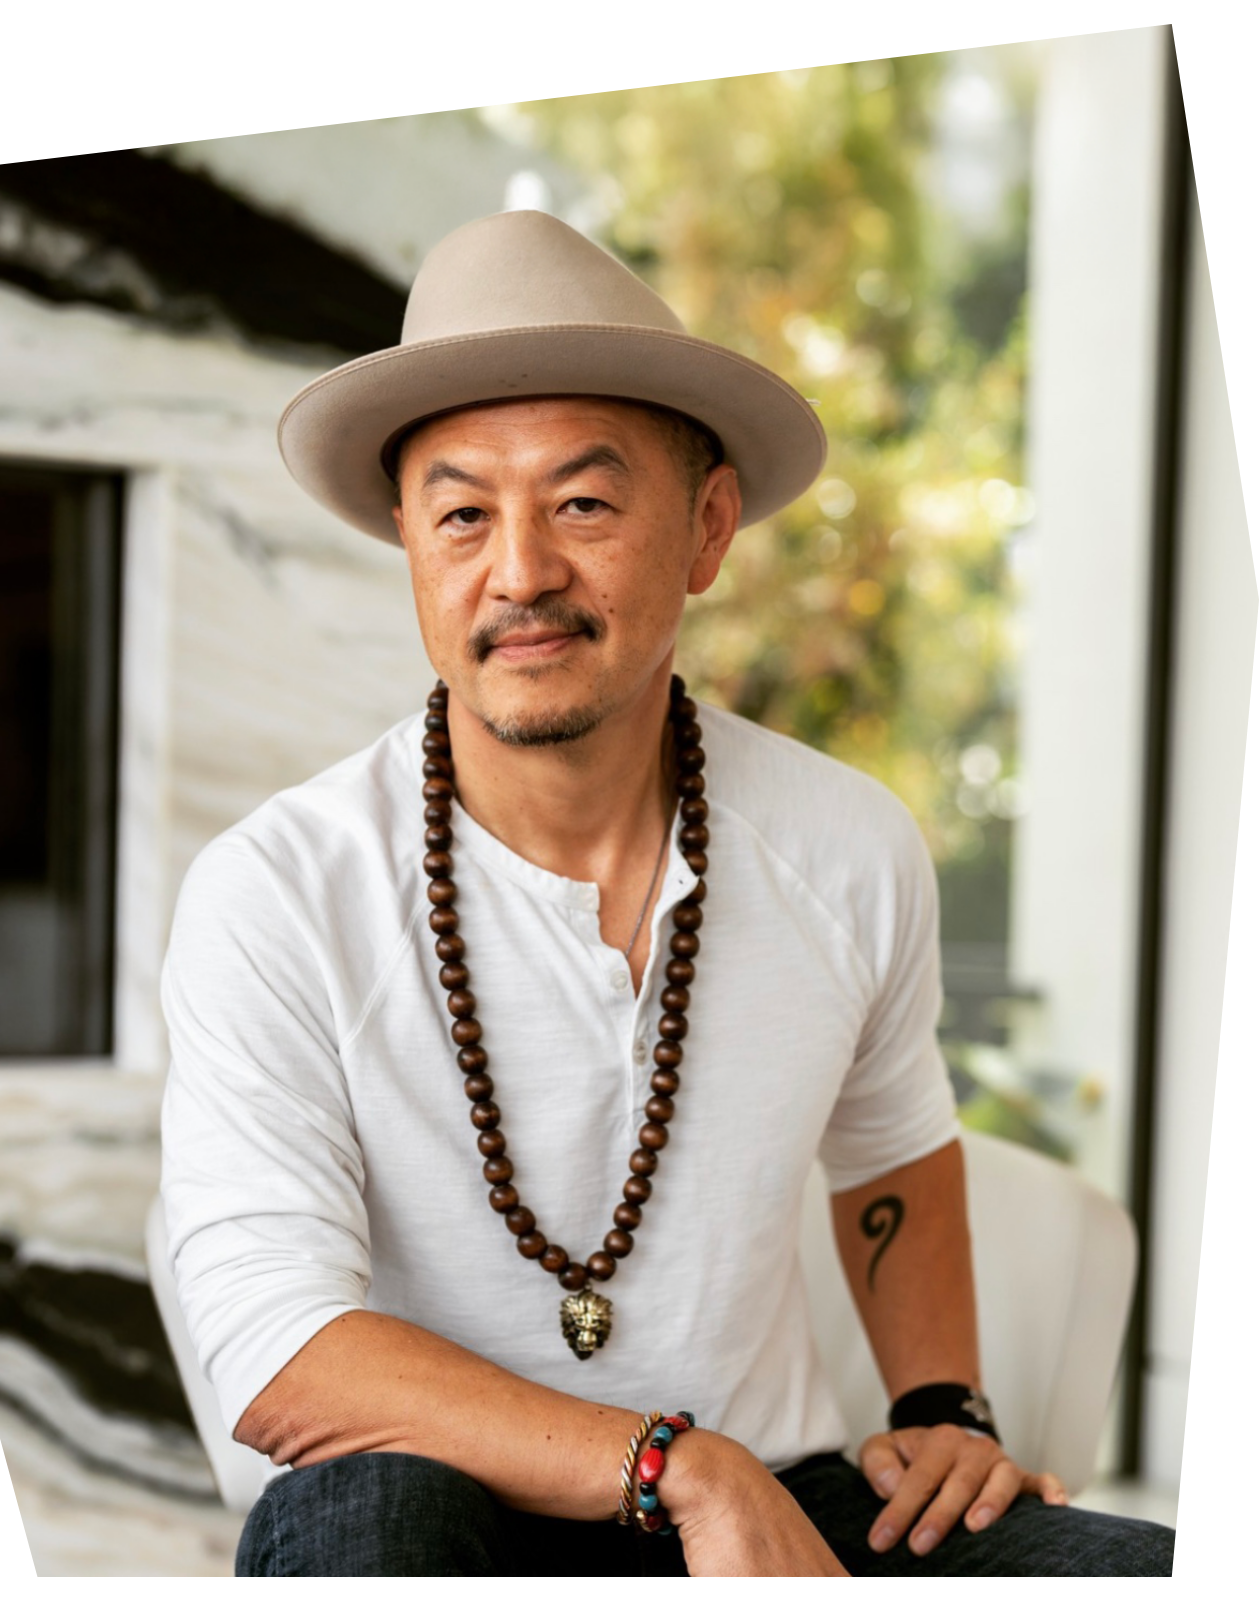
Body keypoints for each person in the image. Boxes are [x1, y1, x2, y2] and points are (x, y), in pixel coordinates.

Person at [159, 209, 1176, 1582]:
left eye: (583, 503)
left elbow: (894, 1149)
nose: (520, 572)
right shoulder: (275, 894)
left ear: (707, 529)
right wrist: (673, 1467)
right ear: (409, 543)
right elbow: (277, 1353)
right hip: (445, 1507)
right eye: (462, 514)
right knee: (366, 1540)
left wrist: (945, 1406)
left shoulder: (846, 848)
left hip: (784, 1499)